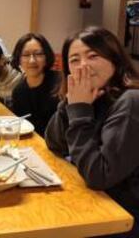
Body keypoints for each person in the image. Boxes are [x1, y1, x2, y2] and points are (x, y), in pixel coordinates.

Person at [45, 27, 139, 237]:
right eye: (74, 60)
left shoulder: (131, 101)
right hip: (95, 202)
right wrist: (70, 102)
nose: (83, 66)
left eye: (93, 56)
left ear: (115, 59)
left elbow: (100, 175)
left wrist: (79, 111)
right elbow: (54, 143)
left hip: (123, 218)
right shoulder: (96, 96)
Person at [10, 33, 61, 135]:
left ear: (46, 57)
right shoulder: (18, 92)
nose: (32, 60)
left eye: (38, 54)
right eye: (26, 55)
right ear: (18, 59)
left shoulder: (61, 83)